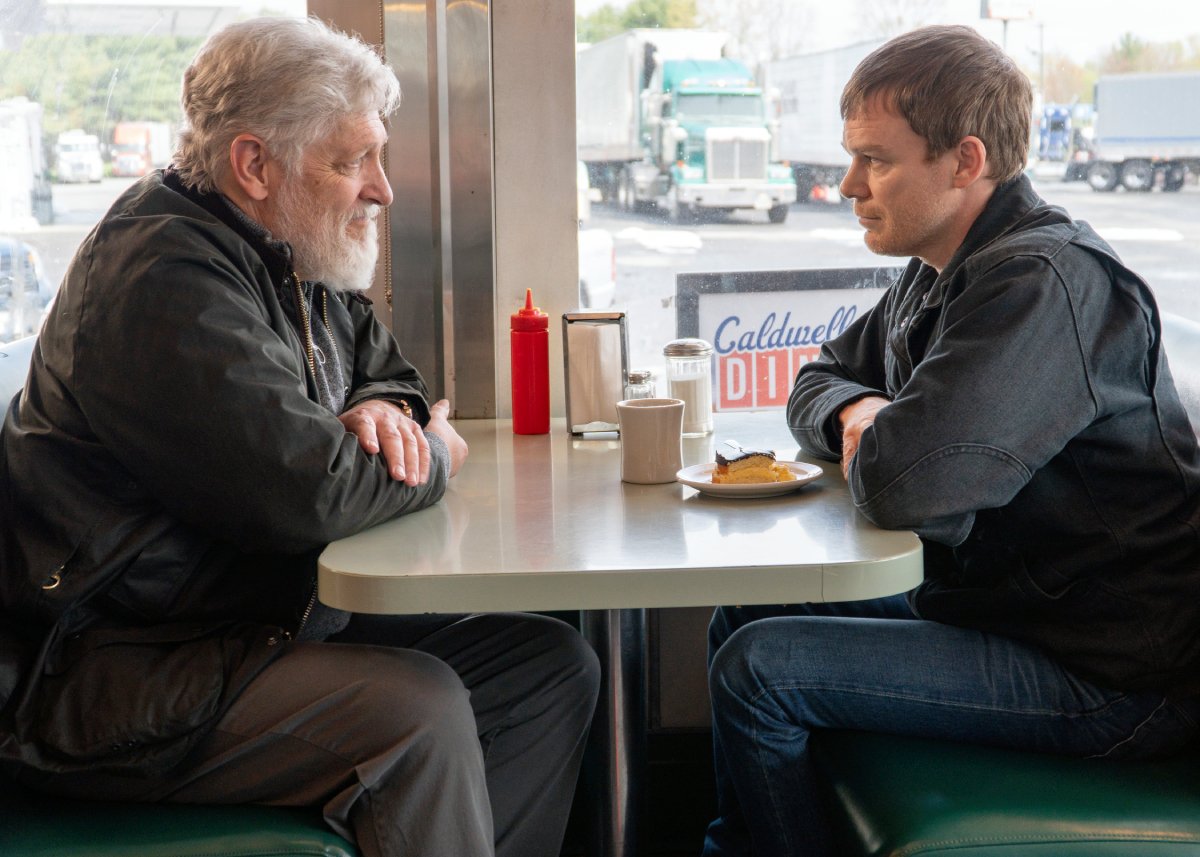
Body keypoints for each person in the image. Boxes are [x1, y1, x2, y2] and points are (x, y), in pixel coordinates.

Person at [0, 17, 598, 857]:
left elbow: (385, 364)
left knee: (544, 663)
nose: (383, 189)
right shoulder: (164, 278)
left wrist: (388, 408)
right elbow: (310, 494)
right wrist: (434, 453)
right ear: (254, 164)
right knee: (416, 713)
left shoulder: (283, 249)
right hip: (111, 671)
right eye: (352, 161)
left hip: (237, 622)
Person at [703, 25, 1200, 857]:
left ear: (965, 161)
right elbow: (818, 377)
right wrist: (862, 415)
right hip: (1008, 612)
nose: (851, 182)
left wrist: (876, 431)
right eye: (851, 156)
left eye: (877, 160)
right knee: (739, 617)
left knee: (760, 672)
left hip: (1110, 672)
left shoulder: (1041, 282)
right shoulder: (939, 266)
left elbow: (906, 487)